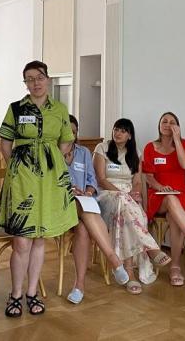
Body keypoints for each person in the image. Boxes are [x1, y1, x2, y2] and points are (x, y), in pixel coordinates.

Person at [0, 60, 80, 317]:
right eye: (30, 79)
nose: (35, 83)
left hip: (50, 180)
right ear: (25, 83)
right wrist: (17, 168)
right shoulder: (16, 108)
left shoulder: (60, 109)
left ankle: (32, 292)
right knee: (22, 241)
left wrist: (49, 159)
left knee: (40, 239)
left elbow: (66, 142)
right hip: (22, 179)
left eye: (39, 77)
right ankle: (15, 294)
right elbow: (4, 143)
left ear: (48, 79)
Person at [94, 118, 171, 294]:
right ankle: (151, 249)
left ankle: (129, 272)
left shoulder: (135, 152)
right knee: (125, 205)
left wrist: (135, 194)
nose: (118, 133)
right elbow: (101, 179)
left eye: (122, 131)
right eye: (116, 129)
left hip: (127, 201)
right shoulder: (102, 148)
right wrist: (123, 194)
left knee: (126, 215)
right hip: (106, 195)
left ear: (129, 135)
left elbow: (137, 181)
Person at [63, 115, 128, 305]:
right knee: (81, 206)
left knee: (83, 228)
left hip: (85, 204)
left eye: (74, 132)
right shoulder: (52, 153)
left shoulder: (83, 152)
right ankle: (114, 260)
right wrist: (69, 190)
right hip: (62, 205)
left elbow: (92, 180)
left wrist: (89, 191)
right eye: (67, 131)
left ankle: (79, 286)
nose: (70, 135)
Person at [141, 112, 185, 286]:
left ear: (178, 126)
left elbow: (184, 164)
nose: (167, 125)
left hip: (181, 195)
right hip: (158, 195)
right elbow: (148, 177)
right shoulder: (150, 147)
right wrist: (161, 187)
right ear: (159, 125)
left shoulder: (183, 144)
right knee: (170, 198)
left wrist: (177, 140)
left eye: (172, 122)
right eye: (164, 121)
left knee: (175, 218)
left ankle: (175, 267)